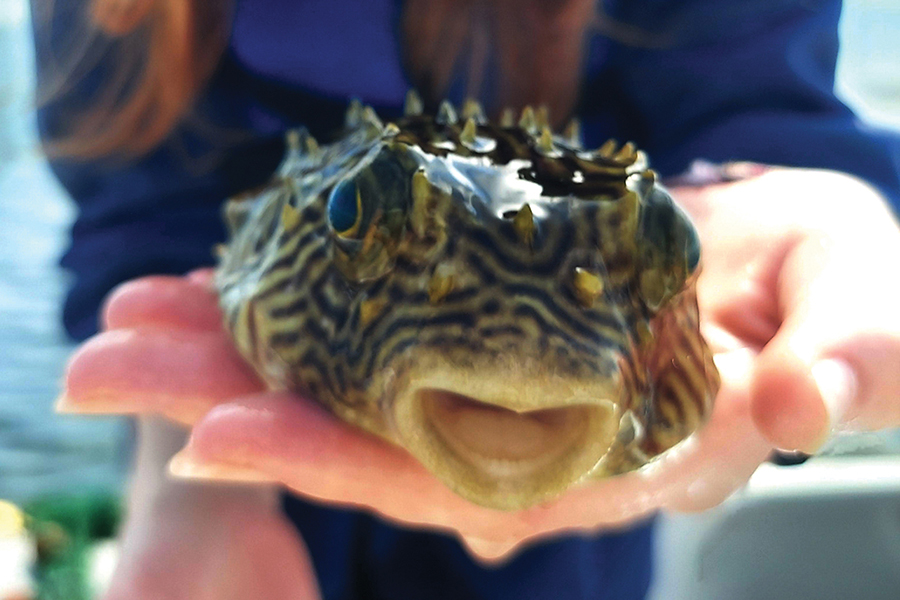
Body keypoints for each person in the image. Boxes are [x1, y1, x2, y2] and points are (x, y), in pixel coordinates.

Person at [35, 0, 900, 598]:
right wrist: (197, 485)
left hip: (571, 561)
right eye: (363, 223)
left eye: (660, 253)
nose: (517, 355)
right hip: (251, 452)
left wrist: (801, 193)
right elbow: (147, 213)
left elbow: (753, 107)